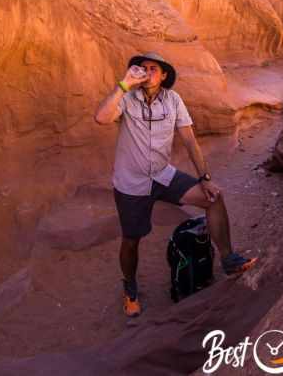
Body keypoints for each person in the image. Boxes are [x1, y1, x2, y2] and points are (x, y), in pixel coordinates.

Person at [94, 52, 257, 317]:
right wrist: (124, 83)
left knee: (213, 198)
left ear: (164, 74)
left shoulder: (173, 100)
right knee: (132, 240)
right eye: (142, 68)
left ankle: (228, 260)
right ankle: (130, 287)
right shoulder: (126, 97)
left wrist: (204, 178)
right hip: (131, 183)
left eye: (153, 68)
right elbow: (101, 117)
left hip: (163, 175)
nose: (147, 73)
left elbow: (190, 141)